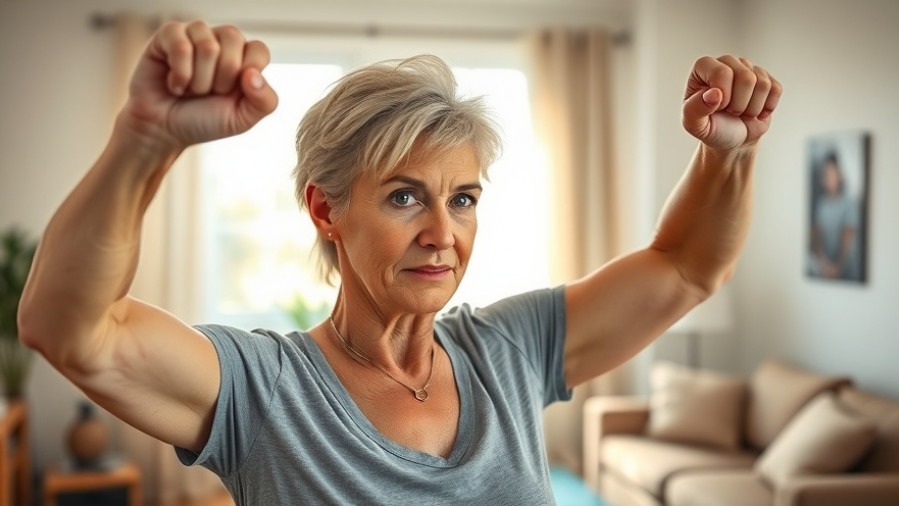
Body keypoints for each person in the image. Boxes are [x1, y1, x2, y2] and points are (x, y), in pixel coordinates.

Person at [18, 20, 782, 505]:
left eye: (464, 199)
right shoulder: (264, 389)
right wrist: (146, 141)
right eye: (405, 198)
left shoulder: (508, 350)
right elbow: (71, 328)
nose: (443, 235)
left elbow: (686, 266)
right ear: (327, 211)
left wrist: (731, 152)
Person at [810, 151, 860, 280]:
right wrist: (823, 261)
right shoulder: (822, 204)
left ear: (839, 174)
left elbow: (848, 236)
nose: (828, 178)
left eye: (831, 173)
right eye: (825, 174)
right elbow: (817, 234)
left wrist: (838, 266)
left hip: (846, 272)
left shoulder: (849, 203)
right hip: (826, 268)